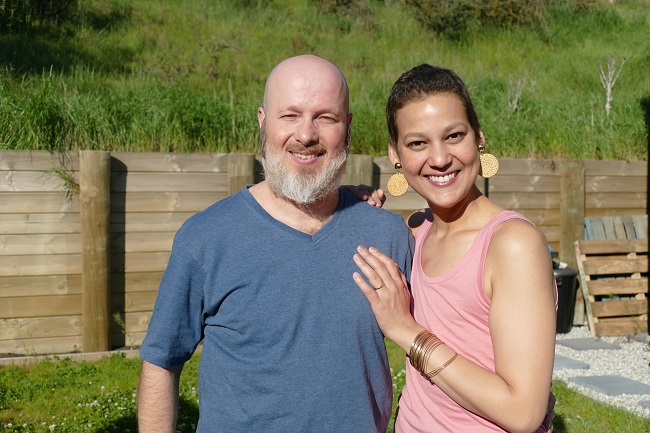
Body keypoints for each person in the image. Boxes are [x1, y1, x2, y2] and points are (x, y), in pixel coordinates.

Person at [136, 54, 413, 433]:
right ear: (263, 122)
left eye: (325, 118)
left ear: (347, 128)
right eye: (290, 115)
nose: (306, 134)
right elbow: (161, 361)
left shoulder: (387, 235)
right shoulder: (206, 237)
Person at [352, 64, 557, 433]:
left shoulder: (512, 244)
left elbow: (523, 412)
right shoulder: (415, 230)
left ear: (479, 137)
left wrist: (406, 331)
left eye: (453, 136)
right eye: (418, 143)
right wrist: (346, 207)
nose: (440, 158)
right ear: (395, 154)